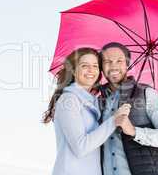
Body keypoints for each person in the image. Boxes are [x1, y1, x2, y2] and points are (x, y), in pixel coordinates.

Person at [43, 47, 131, 175]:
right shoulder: (69, 100)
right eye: (85, 65)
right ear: (73, 70)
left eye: (95, 66)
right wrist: (114, 120)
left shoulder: (92, 102)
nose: (91, 70)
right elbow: (81, 147)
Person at [99, 42, 158, 175]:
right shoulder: (99, 102)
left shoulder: (146, 93)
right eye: (107, 61)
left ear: (127, 64)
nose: (113, 66)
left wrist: (134, 131)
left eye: (119, 61)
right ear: (101, 66)